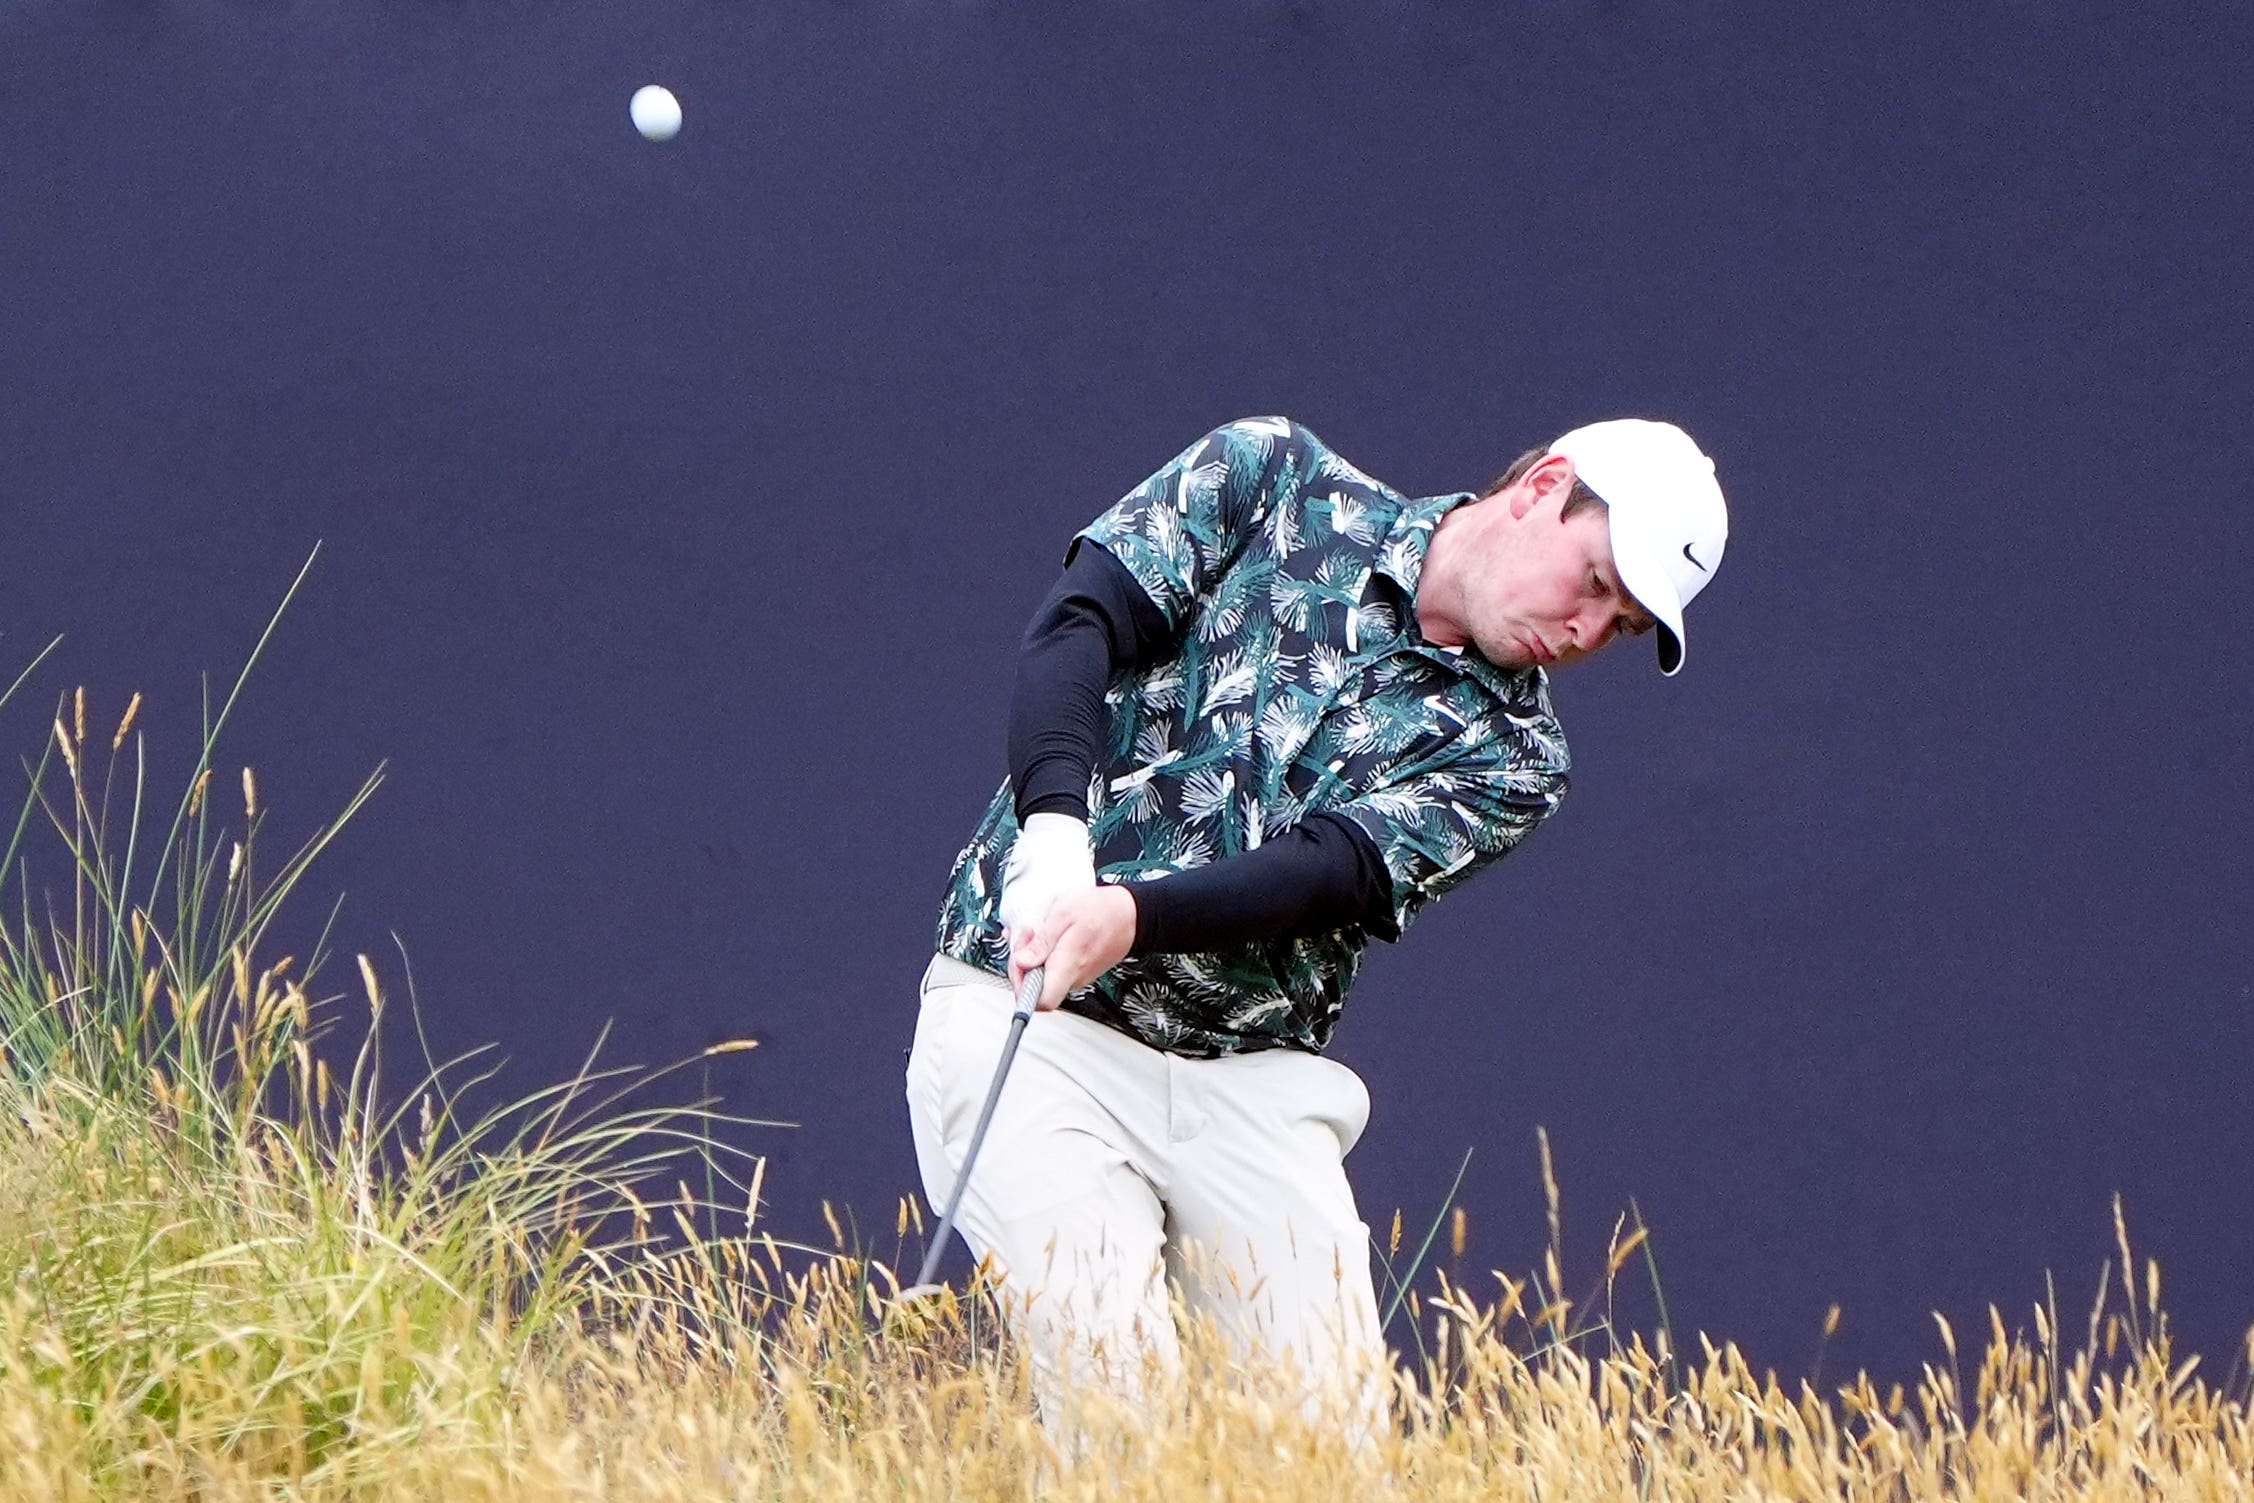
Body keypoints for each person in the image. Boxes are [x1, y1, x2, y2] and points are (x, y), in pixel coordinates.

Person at [904, 414, 1729, 1444]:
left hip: (1247, 1080)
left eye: (1620, 628)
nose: (1585, 630)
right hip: (1032, 1015)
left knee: (1325, 1449)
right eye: (1597, 581)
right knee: (1118, 1403)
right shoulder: (1273, 481)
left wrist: (1127, 912)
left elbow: (1328, 874)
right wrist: (1055, 835)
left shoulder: (1516, 761)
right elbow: (1077, 624)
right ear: (1542, 487)